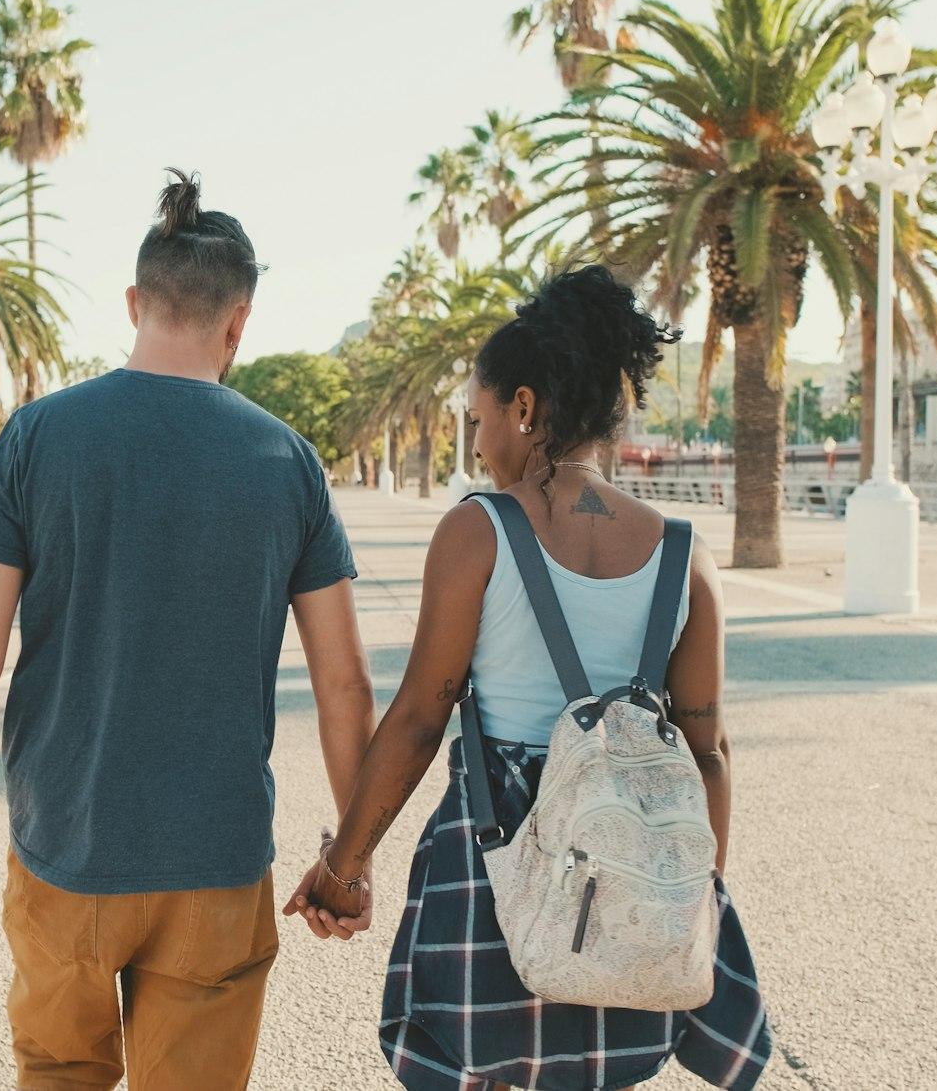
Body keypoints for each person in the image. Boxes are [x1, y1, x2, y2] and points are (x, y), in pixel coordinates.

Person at [0, 169, 376, 1090]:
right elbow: (345, 685)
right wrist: (348, 858)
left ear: (135, 300)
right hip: (217, 863)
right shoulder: (288, 462)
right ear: (239, 321)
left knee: (57, 1073)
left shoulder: (36, 438)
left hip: (66, 852)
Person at [285, 266, 772, 1090]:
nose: (477, 445)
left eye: (478, 419)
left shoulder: (477, 531)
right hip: (621, 869)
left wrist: (346, 864)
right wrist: (688, 899)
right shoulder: (686, 556)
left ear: (522, 406)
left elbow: (417, 718)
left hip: (495, 847)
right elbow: (708, 752)